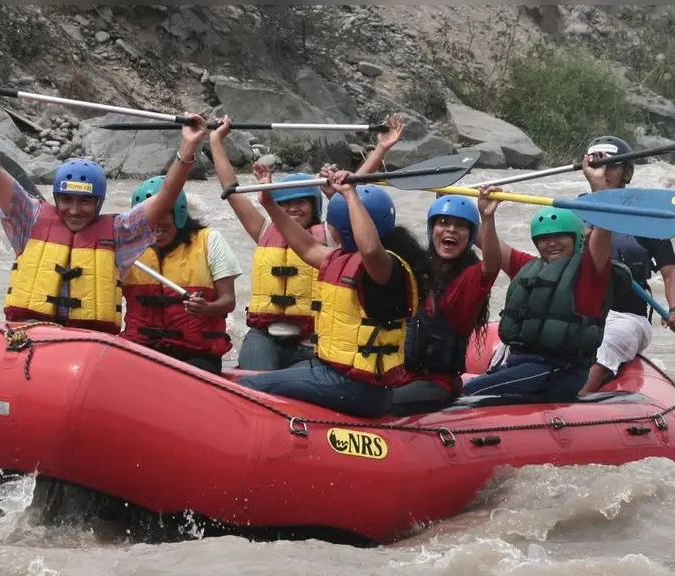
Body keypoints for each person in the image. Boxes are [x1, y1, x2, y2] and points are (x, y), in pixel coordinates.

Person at [0, 73, 208, 331]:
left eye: (85, 202)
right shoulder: (27, 217)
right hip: (29, 334)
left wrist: (187, 148)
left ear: (98, 203)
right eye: (66, 200)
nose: (74, 210)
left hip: (88, 343)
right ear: (55, 198)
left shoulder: (121, 232)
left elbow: (165, 197)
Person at [208, 114, 407, 371]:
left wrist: (381, 148)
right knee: (256, 372)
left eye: (301, 202)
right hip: (265, 335)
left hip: (312, 340)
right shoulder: (265, 228)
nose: (293, 209)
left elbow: (353, 191)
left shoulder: (329, 236)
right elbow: (231, 190)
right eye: (286, 203)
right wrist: (215, 140)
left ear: (315, 205)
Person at [235, 169, 429, 418]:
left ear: (343, 227)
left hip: (357, 386)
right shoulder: (340, 259)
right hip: (341, 376)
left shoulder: (385, 268)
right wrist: (269, 204)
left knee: (249, 387)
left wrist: (349, 195)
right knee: (265, 378)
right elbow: (305, 246)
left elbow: (369, 249)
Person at [462, 158, 631, 399]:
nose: (551, 243)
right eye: (543, 238)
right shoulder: (531, 266)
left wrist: (599, 189)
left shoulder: (590, 272)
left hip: (560, 370)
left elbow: (603, 230)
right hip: (522, 366)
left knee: (469, 392)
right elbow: (489, 245)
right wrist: (483, 214)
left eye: (559, 236)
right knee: (468, 386)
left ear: (576, 238)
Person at [577, 135, 675, 393]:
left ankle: (576, 403)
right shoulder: (575, 211)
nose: (603, 171)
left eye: (611, 165)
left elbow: (670, 273)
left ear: (627, 172)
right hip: (580, 312)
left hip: (627, 316)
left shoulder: (645, 219)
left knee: (605, 344)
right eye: (597, 165)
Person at [388, 188, 502, 416]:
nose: (451, 229)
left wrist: (487, 217)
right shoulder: (416, 267)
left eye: (460, 226)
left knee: (377, 404)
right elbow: (373, 243)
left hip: (436, 383)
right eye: (443, 223)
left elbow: (491, 265)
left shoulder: (468, 279)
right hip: (396, 374)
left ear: (471, 236)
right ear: (432, 230)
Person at [120, 176, 243, 375]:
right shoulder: (127, 249)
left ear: (179, 213)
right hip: (140, 348)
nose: (155, 224)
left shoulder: (209, 240)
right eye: (149, 216)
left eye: (163, 214)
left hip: (194, 354)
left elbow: (228, 301)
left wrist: (207, 308)